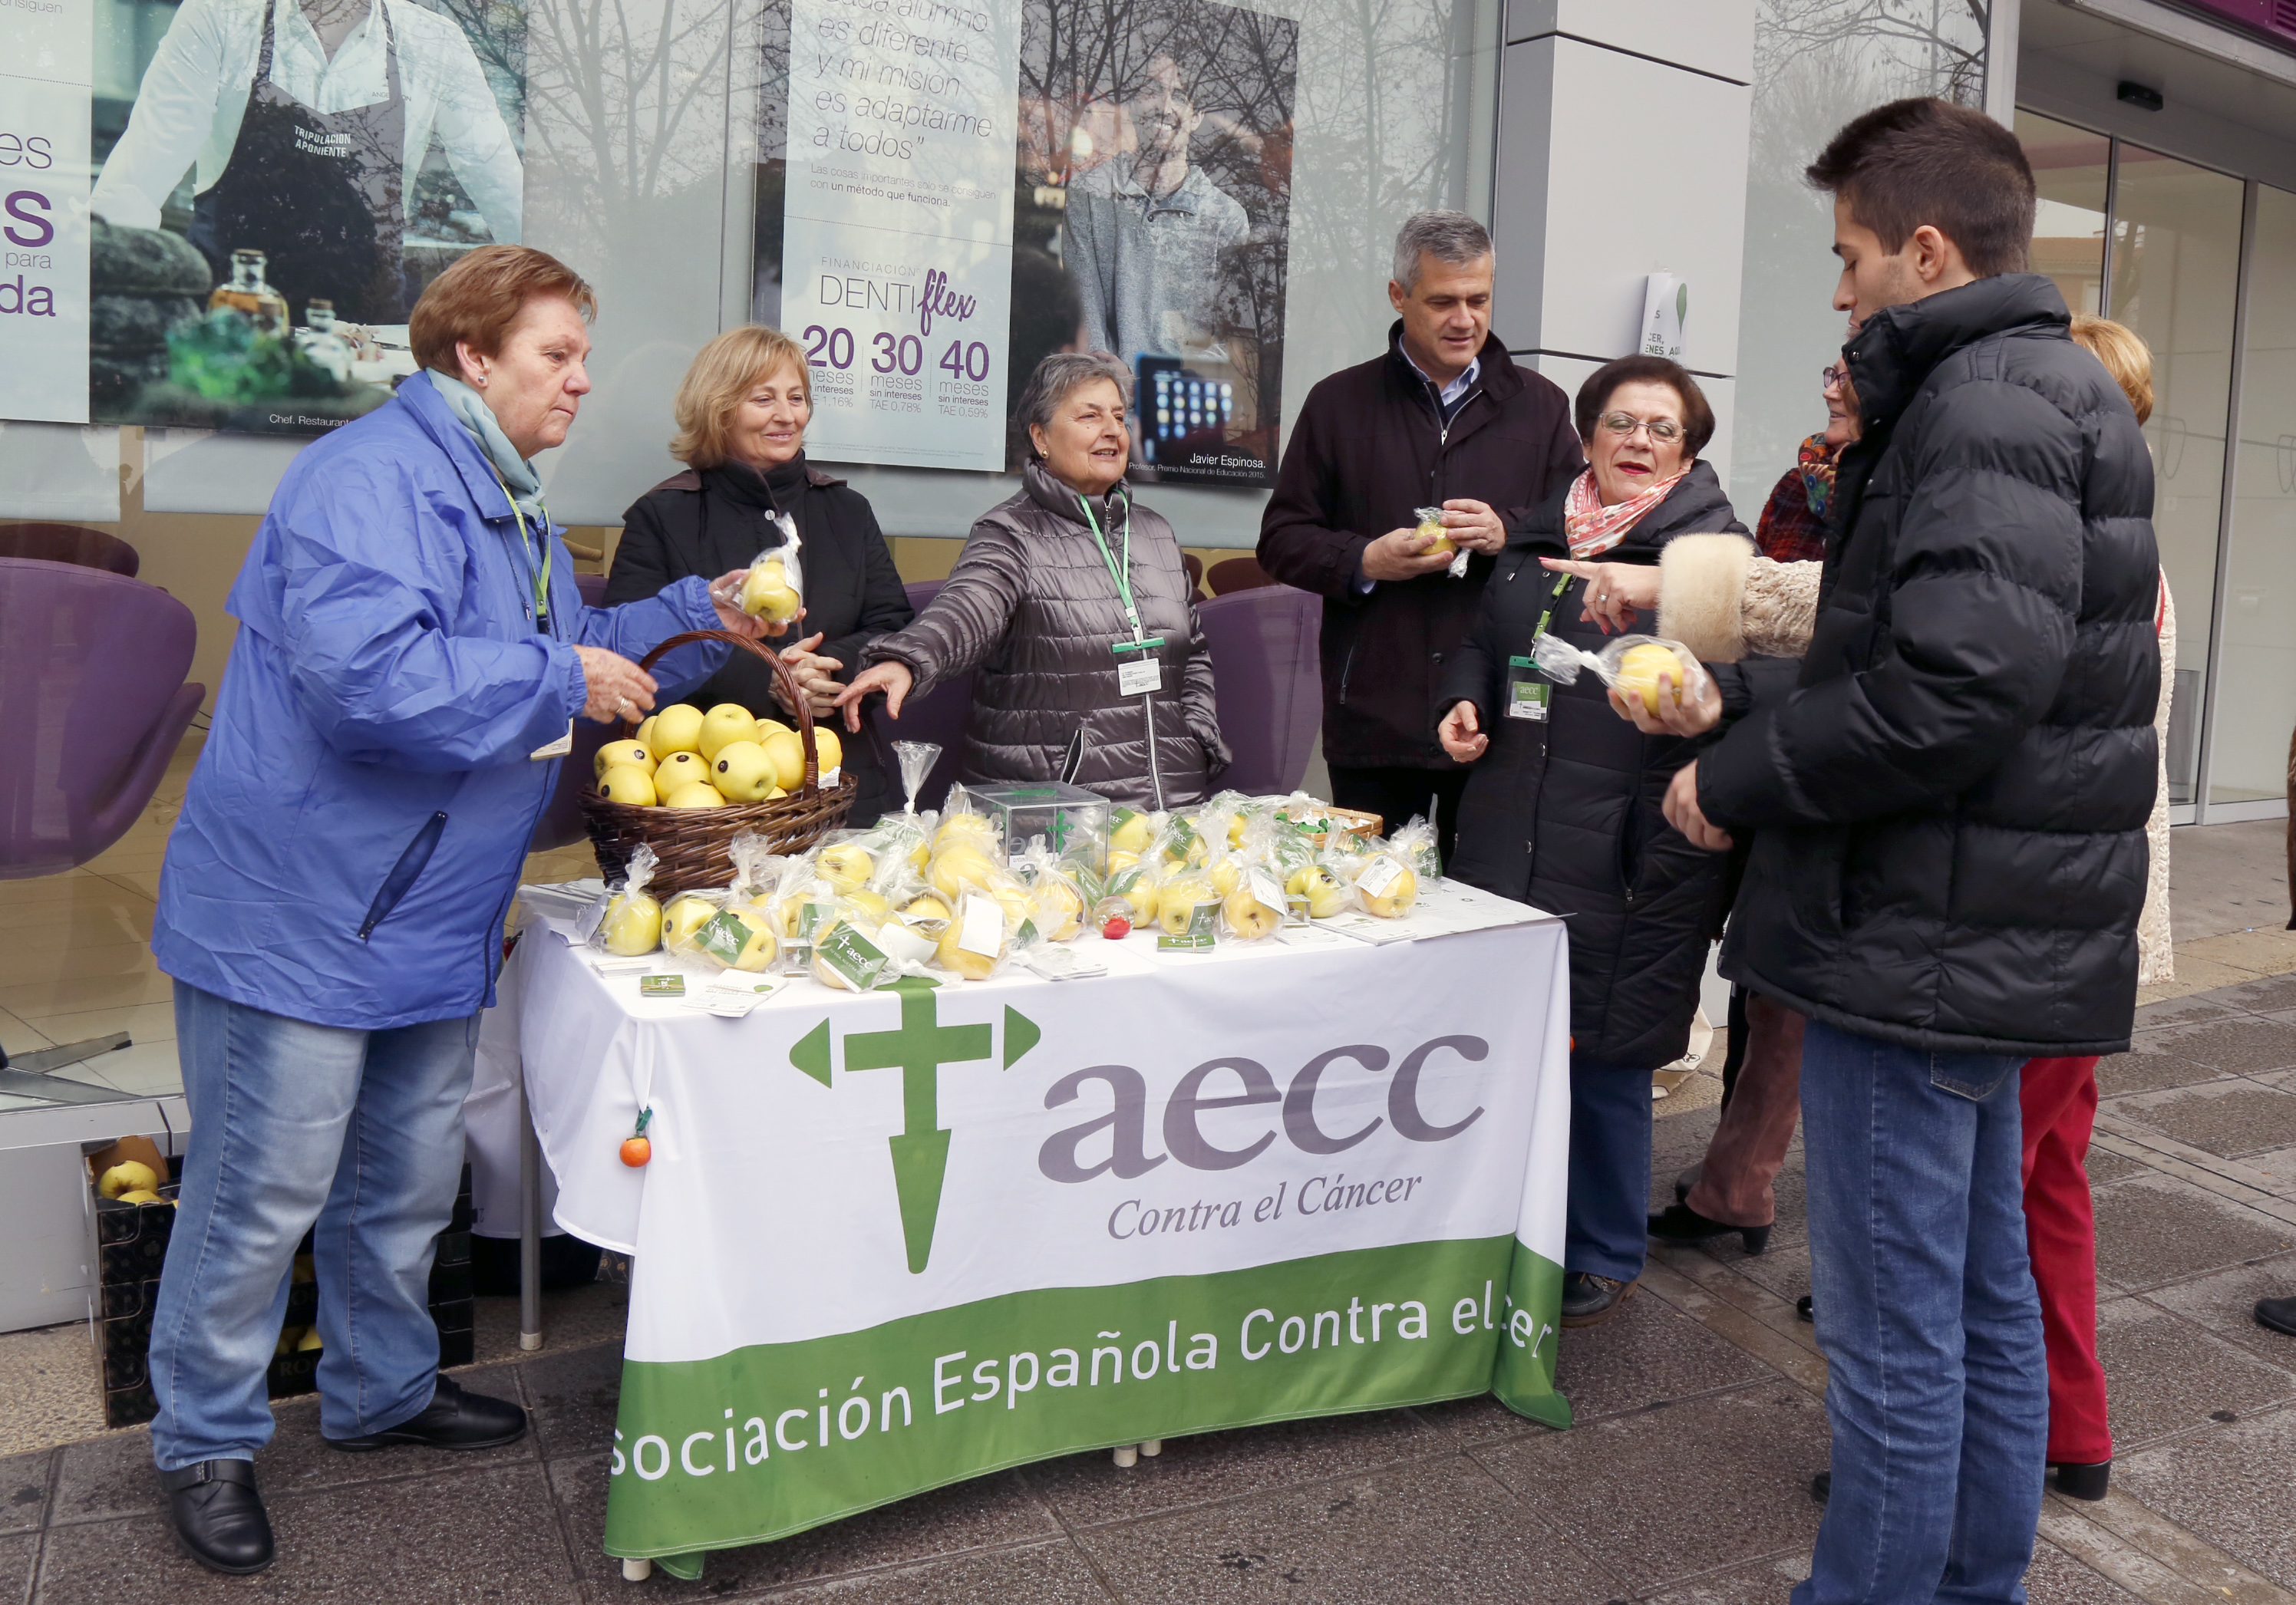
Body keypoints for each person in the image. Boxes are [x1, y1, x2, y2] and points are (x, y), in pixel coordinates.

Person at [142, 246, 773, 1577]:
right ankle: (203, 1438)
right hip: (304, 912)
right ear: (472, 358)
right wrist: (559, 677)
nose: (582, 381)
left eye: (582, 356)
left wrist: (698, 614)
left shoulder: (501, 490)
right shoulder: (368, 480)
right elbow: (375, 684)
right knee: (262, 1191)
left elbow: (561, 641)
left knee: (404, 1177)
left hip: (424, 911)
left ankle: (382, 1390)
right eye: (556, 355)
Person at [1624, 101, 2159, 1603]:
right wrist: (1741, 695)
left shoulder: (1981, 404)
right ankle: (1973, 1580)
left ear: (1925, 250)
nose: (1839, 288)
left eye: (1850, 256)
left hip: (1915, 934)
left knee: (1895, 1333)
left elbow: (1951, 687)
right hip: (1965, 928)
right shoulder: (2034, 389)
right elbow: (1912, 648)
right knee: (1978, 1298)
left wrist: (1733, 779)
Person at [1435, 354, 1745, 1327]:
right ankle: (1510, 1223)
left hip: (1628, 847)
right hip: (1507, 833)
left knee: (1607, 1051)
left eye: (1661, 429)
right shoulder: (1537, 537)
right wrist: (1463, 701)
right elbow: (1484, 643)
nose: (1638, 442)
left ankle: (1604, 1247)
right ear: (1587, 436)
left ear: (1686, 451)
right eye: (1621, 423)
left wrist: (1692, 697)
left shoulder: (1710, 556)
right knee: (1509, 1045)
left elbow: (1746, 689)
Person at [1259, 210, 1582, 859]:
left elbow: (1578, 533)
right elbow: (1282, 539)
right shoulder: (1338, 403)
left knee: (1484, 904)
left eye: (1478, 300)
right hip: (1373, 713)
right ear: (1398, 295)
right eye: (1442, 302)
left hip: (1493, 715)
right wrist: (1365, 559)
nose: (1464, 319)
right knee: (1366, 903)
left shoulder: (1542, 407)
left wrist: (1507, 532)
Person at [1634, 353, 1859, 1255]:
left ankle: (1743, 1186)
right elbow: (1749, 626)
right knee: (1761, 977)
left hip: (1827, 758)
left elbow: (1836, 634)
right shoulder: (1805, 484)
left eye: (1849, 371)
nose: (1829, 384)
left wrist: (1725, 688)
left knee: (1793, 996)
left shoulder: (1906, 498)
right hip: (1764, 747)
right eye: (1831, 367)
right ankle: (1733, 1180)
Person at [833, 351, 1229, 807]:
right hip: (1058, 818)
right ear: (1041, 438)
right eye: (1089, 416)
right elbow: (967, 610)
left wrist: (1195, 734)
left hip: (1173, 807)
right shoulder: (1009, 532)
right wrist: (908, 660)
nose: (1112, 430)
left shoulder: (1155, 532)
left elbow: (1192, 652)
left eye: (1119, 417)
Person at [607, 325, 915, 824]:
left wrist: (829, 672)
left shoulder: (848, 510)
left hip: (844, 786)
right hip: (707, 802)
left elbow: (895, 630)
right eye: (764, 399)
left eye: (797, 398)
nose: (787, 415)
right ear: (719, 408)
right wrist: (769, 677)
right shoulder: (662, 516)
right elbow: (631, 657)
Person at [91, 0, 522, 320]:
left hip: (365, 340)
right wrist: (101, 286)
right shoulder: (221, 15)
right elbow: (138, 177)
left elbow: (502, 185)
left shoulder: (435, 44)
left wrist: (551, 292)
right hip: (226, 329)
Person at [1061, 54, 1252, 362]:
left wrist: (1148, 381)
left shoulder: (1226, 218)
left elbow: (1228, 348)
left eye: (1179, 96)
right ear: (1132, 105)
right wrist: (1110, 378)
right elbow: (1086, 321)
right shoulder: (1090, 194)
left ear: (1197, 115)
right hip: (1104, 388)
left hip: (1184, 391)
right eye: (1152, 91)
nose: (1165, 107)